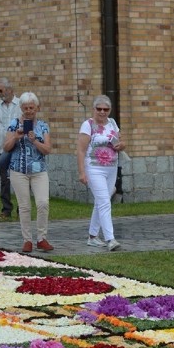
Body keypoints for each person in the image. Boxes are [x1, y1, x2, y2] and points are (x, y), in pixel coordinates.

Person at [3, 92, 53, 253]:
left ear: (37, 108)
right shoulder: (14, 124)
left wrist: (34, 140)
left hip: (39, 170)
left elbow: (47, 149)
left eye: (32, 107)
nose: (29, 111)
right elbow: (6, 147)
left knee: (43, 203)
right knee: (24, 206)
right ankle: (27, 240)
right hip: (18, 170)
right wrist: (16, 137)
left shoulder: (43, 125)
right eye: (26, 108)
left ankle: (41, 238)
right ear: (21, 108)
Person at [77, 95, 126, 251]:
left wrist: (121, 145)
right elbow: (80, 150)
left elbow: (119, 141)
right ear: (94, 109)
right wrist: (82, 172)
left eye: (106, 109)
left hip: (111, 168)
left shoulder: (112, 123)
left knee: (101, 201)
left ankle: (92, 236)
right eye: (99, 109)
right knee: (104, 201)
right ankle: (110, 239)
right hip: (94, 168)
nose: (102, 112)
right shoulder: (88, 125)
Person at [0, 78, 21, 220]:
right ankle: (6, 209)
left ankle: (22, 209)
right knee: (4, 179)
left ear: (9, 90)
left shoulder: (21, 104)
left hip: (19, 147)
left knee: (21, 178)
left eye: (0, 90)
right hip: (2, 148)